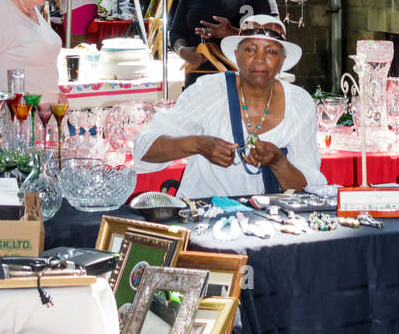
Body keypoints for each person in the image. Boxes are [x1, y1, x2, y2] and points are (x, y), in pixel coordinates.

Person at [134, 14, 326, 198]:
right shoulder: (208, 91)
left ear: (282, 61)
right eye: (250, 49)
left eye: (271, 51)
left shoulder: (300, 103)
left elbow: (311, 187)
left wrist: (278, 162)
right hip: (202, 213)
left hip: (269, 221)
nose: (259, 59)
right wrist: (197, 144)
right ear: (236, 55)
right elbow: (144, 148)